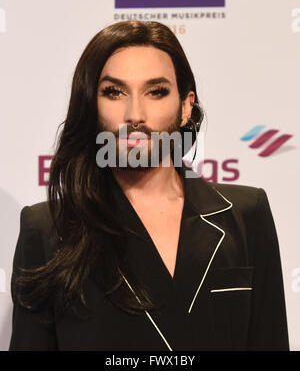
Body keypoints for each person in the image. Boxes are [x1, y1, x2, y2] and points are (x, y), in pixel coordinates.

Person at [9, 20, 289, 351]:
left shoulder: (246, 215)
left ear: (185, 106)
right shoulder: (47, 229)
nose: (135, 114)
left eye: (156, 91)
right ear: (91, 104)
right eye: (114, 92)